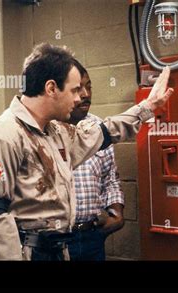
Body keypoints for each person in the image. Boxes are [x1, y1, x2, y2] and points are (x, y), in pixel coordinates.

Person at [0, 43, 173, 260]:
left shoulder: (55, 133)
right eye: (74, 90)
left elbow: (103, 131)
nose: (79, 98)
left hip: (58, 250)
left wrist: (148, 106)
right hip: (28, 253)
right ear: (51, 88)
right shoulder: (2, 137)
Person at [67, 63, 124, 261]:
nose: (85, 94)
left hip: (93, 236)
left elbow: (110, 179)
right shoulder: (49, 130)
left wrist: (116, 215)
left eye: (89, 87)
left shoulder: (100, 128)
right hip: (57, 240)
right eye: (78, 88)